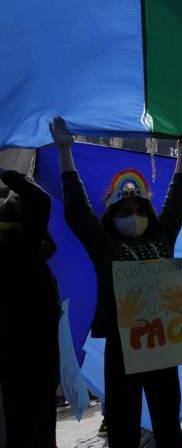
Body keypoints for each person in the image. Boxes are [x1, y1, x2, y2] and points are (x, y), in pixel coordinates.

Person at [50, 117, 182, 447]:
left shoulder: (162, 238)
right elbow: (78, 213)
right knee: (124, 430)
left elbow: (177, 202)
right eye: (124, 210)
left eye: (138, 208)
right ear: (112, 216)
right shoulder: (106, 246)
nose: (133, 214)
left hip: (163, 348)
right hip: (122, 350)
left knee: (169, 428)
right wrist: (65, 153)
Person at [0, 167, 59, 447]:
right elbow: (40, 200)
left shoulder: (25, 249)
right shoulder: (21, 249)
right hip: (27, 350)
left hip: (27, 350)